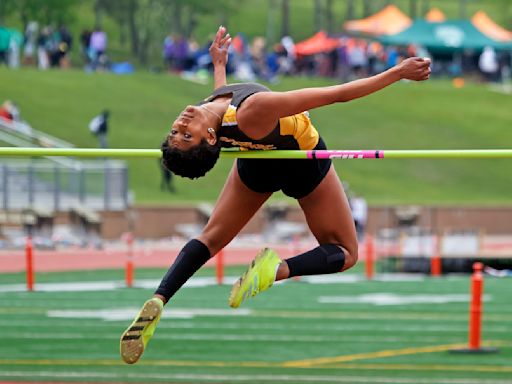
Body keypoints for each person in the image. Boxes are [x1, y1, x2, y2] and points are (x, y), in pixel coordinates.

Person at [119, 26, 431, 364]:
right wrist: (398, 72)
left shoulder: (210, 112)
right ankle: (276, 270)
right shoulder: (257, 109)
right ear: (210, 139)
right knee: (345, 252)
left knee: (211, 238)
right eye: (185, 134)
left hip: (256, 162)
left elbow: (220, 107)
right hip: (300, 161)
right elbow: (337, 93)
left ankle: (161, 297)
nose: (181, 122)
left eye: (175, 131)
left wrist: (219, 65)